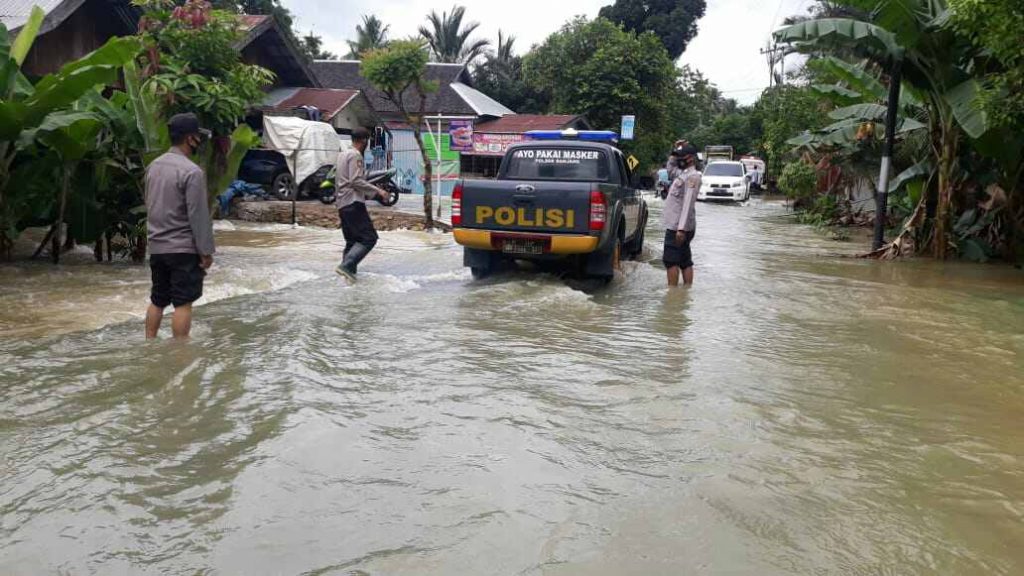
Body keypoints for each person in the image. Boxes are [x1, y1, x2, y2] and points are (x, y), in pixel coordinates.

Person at [143, 113, 215, 339]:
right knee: (183, 303)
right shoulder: (191, 172)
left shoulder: (153, 167)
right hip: (183, 249)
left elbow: (149, 203)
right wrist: (205, 251)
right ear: (191, 139)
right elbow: (198, 215)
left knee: (157, 300)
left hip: (157, 247)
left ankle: (149, 343)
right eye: (197, 138)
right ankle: (180, 353)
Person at [335, 127, 390, 280]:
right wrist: (378, 192)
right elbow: (356, 180)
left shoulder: (342, 154)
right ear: (364, 141)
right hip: (353, 203)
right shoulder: (355, 155)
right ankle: (346, 266)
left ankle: (347, 276)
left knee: (351, 241)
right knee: (369, 238)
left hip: (342, 204)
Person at [663, 143, 701, 287]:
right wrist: (674, 153)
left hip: (678, 227)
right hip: (679, 225)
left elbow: (688, 204)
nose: (678, 159)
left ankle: (672, 293)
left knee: (671, 260)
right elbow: (670, 170)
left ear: (690, 158)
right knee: (684, 260)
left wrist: (681, 229)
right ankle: (686, 291)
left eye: (680, 156)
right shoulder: (682, 174)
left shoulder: (693, 177)